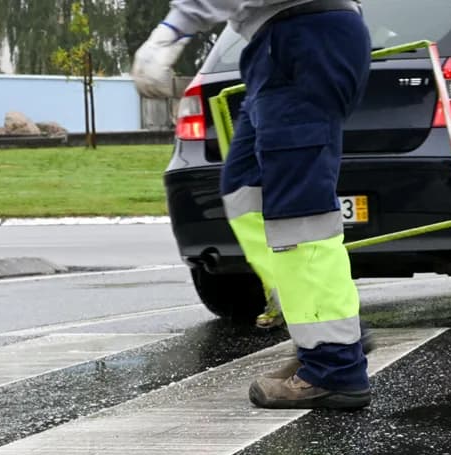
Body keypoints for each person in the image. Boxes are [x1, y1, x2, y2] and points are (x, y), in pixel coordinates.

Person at [132, 0, 372, 410]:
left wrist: (174, 28)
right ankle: (321, 330)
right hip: (287, 41)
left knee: (300, 212)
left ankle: (333, 364)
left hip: (302, 37)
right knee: (247, 189)